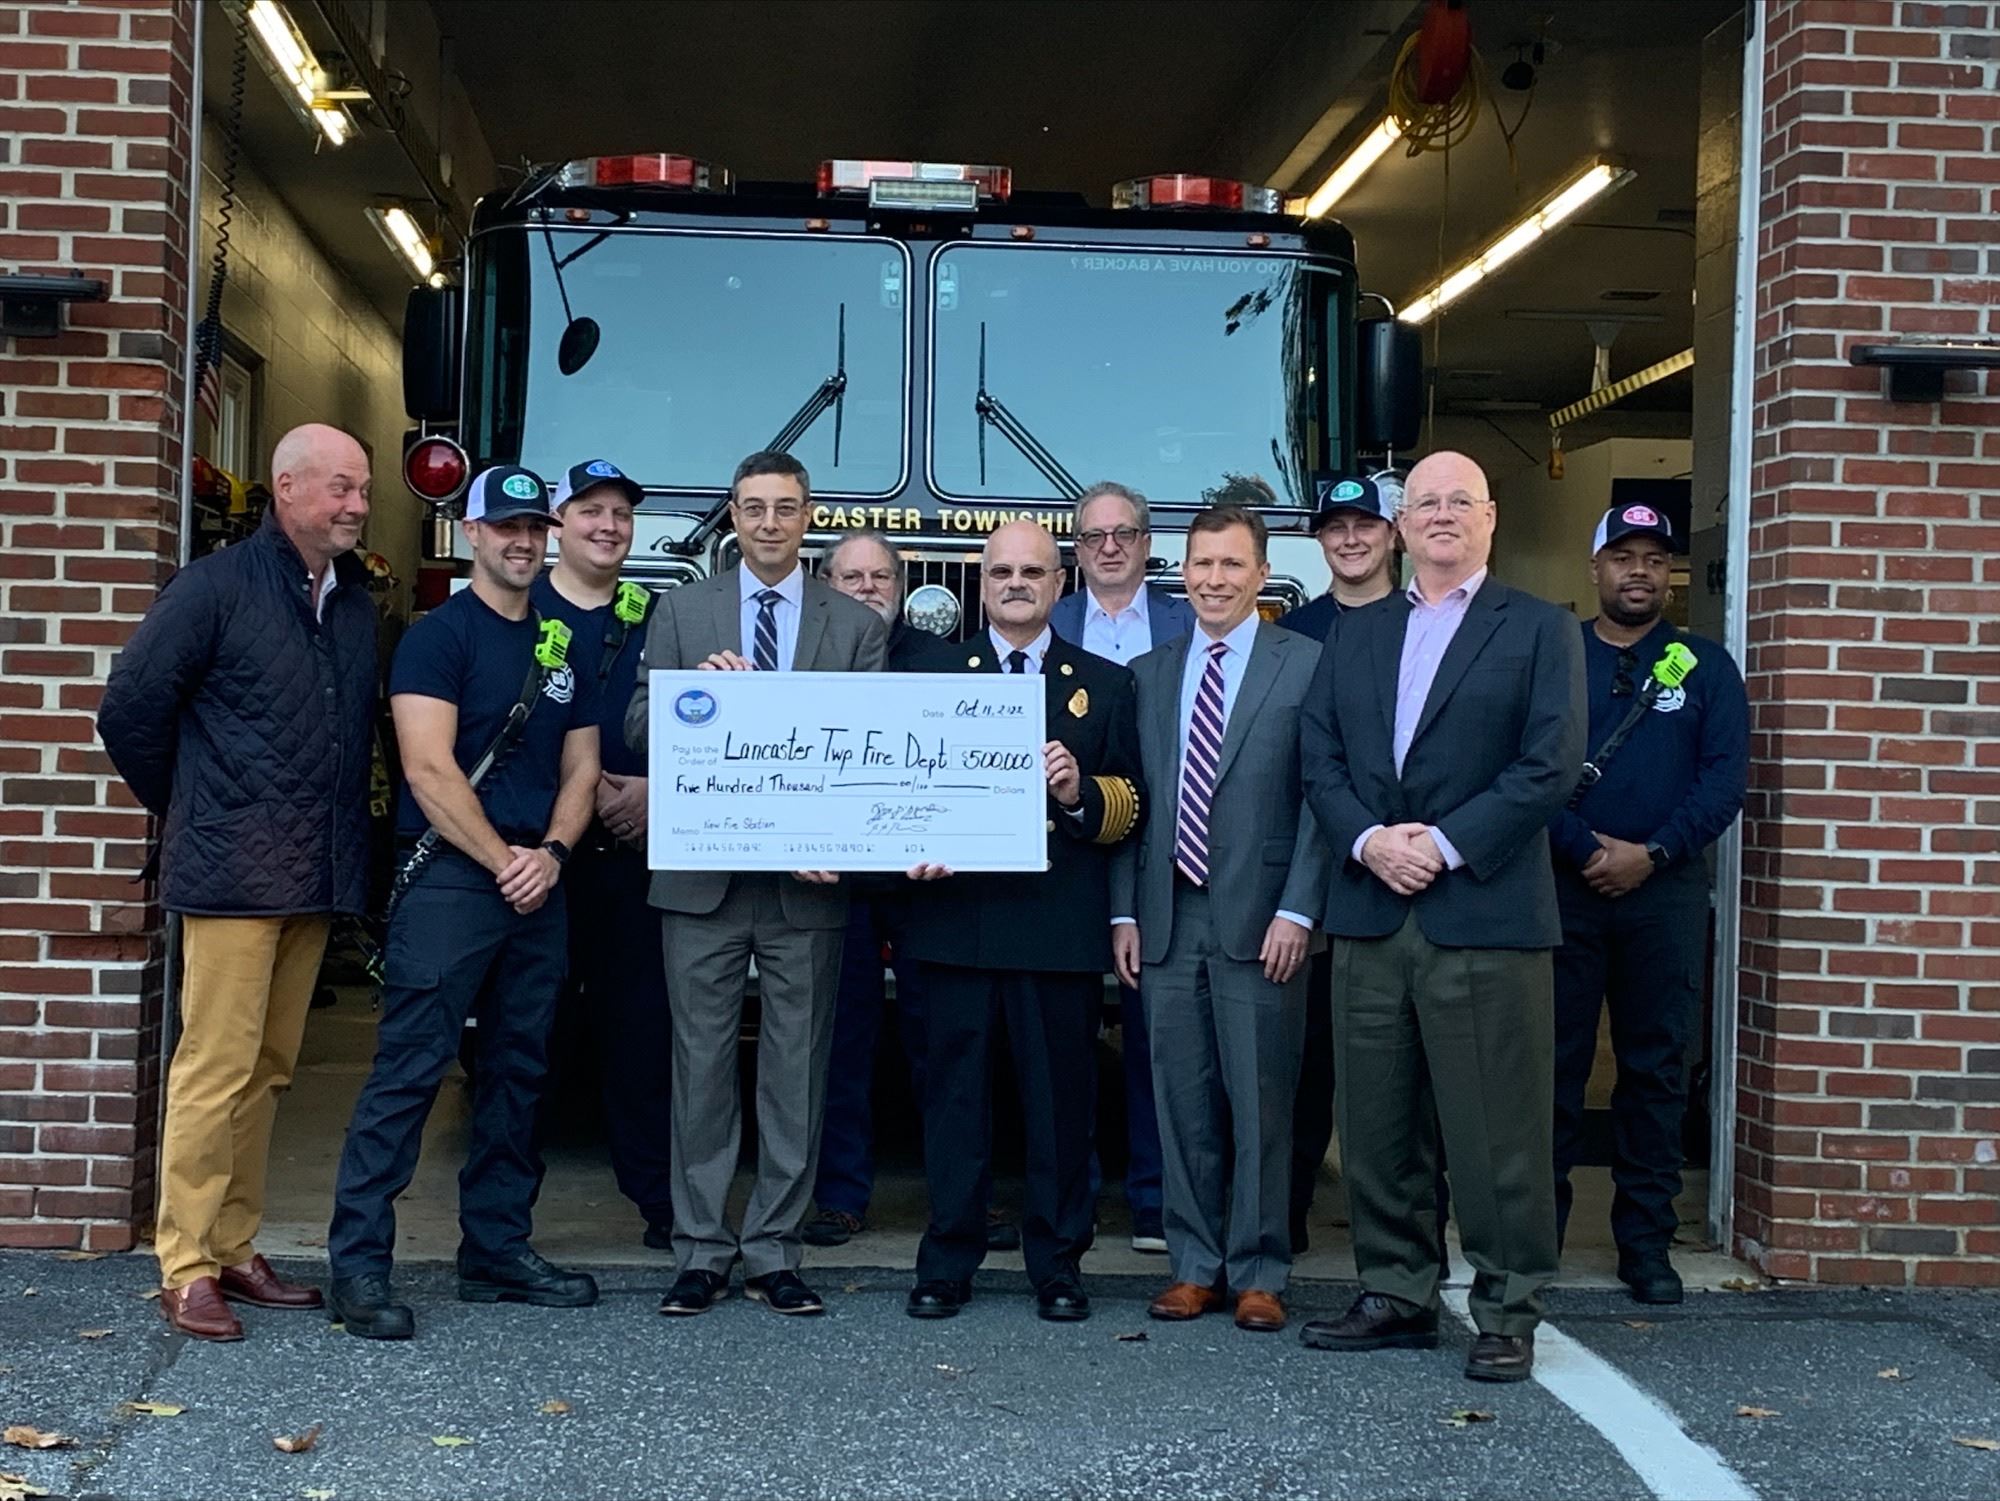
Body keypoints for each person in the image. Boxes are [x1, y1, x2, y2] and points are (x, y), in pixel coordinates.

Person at [1296, 450, 1585, 1383]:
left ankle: (1507, 1306)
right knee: (1377, 1124)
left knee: (1497, 1128)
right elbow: (1319, 755)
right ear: (1402, 525)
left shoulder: (1539, 628)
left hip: (1484, 912)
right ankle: (1396, 1292)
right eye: (1427, 502)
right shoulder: (1357, 632)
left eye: (1462, 500)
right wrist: (1369, 841)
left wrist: (1447, 844)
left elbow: (1549, 764)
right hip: (1371, 909)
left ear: (1491, 518)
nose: (1444, 514)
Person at [98, 423, 377, 1342]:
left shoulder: (353, 601)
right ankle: (185, 1263)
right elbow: (128, 708)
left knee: (269, 1068)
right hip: (229, 875)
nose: (358, 505)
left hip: (313, 874)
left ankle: (233, 1243)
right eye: (340, 488)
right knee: (214, 1067)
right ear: (287, 488)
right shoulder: (213, 587)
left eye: (363, 490)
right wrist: (194, 806)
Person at [325, 465, 602, 1340]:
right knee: (410, 1071)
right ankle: (358, 1265)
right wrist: (503, 859)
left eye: (534, 527)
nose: (523, 541)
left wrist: (551, 854)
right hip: (452, 877)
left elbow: (583, 766)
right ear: (471, 533)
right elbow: (427, 767)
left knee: (520, 1073)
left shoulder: (560, 643)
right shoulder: (436, 638)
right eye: (505, 526)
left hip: (538, 881)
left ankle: (496, 1248)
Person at [625, 451, 889, 1318]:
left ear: (808, 516)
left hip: (806, 884)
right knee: (699, 1065)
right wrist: (693, 696)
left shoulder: (854, 625)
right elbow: (637, 724)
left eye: (785, 507)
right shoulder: (681, 609)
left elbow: (871, 747)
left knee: (794, 1071)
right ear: (732, 517)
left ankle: (775, 1249)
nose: (769, 522)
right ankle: (701, 1249)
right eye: (753, 507)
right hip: (702, 876)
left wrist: (836, 836)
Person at [903, 520, 1143, 1322]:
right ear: (981, 583)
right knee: (954, 1106)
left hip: (1054, 929)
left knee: (1060, 1109)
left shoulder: (1104, 684)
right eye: (1001, 571)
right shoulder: (932, 675)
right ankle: (946, 1260)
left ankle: (1059, 1265)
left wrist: (1076, 793)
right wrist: (912, 847)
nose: (1015, 583)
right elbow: (896, 789)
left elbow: (1132, 803)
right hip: (955, 923)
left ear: (1059, 584)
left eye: (1032, 572)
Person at [1110, 504, 1328, 1334]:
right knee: (1182, 1101)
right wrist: (1124, 911)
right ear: (1183, 573)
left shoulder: (1303, 664)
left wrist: (1299, 907)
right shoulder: (1151, 672)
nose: (1214, 579)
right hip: (1168, 915)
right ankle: (1194, 1264)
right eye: (1202, 563)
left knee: (1263, 1102)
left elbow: (1321, 798)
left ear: (1262, 574)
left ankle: (1260, 1269)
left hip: (1264, 918)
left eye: (1232, 564)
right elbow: (1132, 803)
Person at [1550, 503, 1748, 1304]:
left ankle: (1645, 1243)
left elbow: (1723, 780)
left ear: (1670, 573)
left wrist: (1653, 853)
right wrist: (1586, 849)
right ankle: (1539, 1239)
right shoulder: (1556, 656)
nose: (1639, 571)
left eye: (1655, 559)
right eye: (1623, 556)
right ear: (1595, 567)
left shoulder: (1705, 667)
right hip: (1563, 890)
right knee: (1551, 1070)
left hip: (1664, 896)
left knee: (1656, 1070)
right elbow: (1526, 767)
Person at [529, 460, 677, 1251]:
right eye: (590, 510)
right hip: (541, 866)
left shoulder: (659, 617)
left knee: (641, 1039)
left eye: (621, 513)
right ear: (559, 522)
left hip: (630, 861)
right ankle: (503, 1220)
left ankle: (660, 1203)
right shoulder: (519, 607)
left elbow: (700, 726)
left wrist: (660, 793)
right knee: (529, 1039)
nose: (608, 526)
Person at [1048, 480, 1192, 1253]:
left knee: (1154, 1033)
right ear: (1075, 550)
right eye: (1093, 535)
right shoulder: (1046, 619)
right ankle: (1068, 1195)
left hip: (1159, 846)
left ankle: (1154, 1197)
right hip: (1065, 853)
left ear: (1146, 544)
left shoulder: (1187, 623)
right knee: (1060, 1040)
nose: (1108, 546)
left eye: (1123, 533)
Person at [1275, 475, 1400, 1250]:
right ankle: (1287, 1216)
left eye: (1365, 525)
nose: (1350, 539)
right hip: (1312, 879)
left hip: (1401, 874)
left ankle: (1405, 1228)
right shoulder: (1292, 633)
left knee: (1397, 1068)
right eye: (1335, 527)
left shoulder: (1426, 623)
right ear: (1319, 539)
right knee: (1306, 1062)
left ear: (1392, 534)